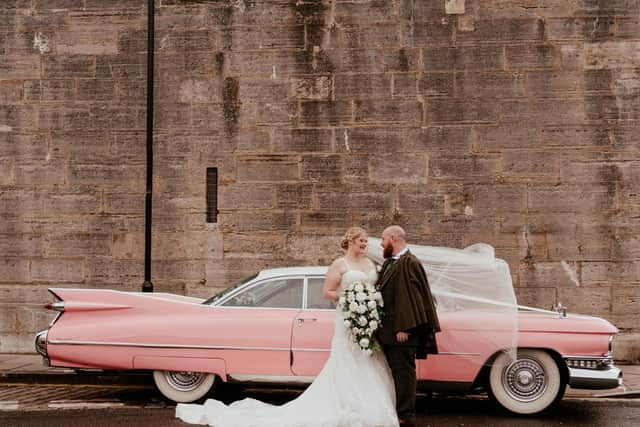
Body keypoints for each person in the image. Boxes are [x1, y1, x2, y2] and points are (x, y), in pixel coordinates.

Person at [175, 226, 399, 427]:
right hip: (347, 318)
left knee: (369, 359)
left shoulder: (370, 263)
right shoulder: (339, 264)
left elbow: (377, 287)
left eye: (366, 242)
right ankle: (350, 407)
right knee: (347, 362)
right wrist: (350, 299)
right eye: (362, 240)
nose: (365, 244)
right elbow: (327, 293)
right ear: (351, 241)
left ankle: (369, 406)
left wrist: (368, 303)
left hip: (367, 320)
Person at [376, 225, 440, 425]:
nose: (381, 243)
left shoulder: (410, 262)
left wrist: (405, 328)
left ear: (394, 238)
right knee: (392, 374)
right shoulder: (390, 263)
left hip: (402, 332)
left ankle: (406, 415)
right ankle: (395, 410)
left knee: (404, 375)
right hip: (388, 332)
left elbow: (414, 297)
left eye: (383, 239)